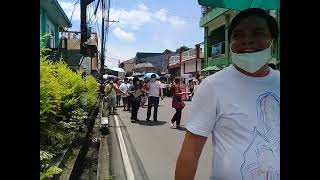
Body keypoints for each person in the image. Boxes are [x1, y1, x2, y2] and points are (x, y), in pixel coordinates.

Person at [175, 8, 280, 180]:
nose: (247, 40)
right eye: (238, 35)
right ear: (230, 43)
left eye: (258, 33)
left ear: (273, 42)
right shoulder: (212, 86)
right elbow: (190, 155)